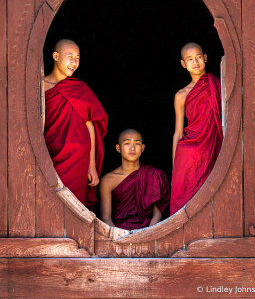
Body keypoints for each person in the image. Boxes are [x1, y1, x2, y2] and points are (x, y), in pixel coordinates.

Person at [44, 39, 108, 209]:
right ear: (55, 56)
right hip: (47, 155)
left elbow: (90, 125)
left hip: (77, 159)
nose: (74, 62)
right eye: (70, 56)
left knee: (73, 207)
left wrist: (91, 165)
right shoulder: (38, 87)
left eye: (77, 58)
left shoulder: (79, 88)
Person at [170, 42, 223, 215]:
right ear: (183, 64)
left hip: (214, 146)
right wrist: (174, 168)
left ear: (205, 58)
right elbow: (178, 132)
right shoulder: (181, 95)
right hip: (189, 153)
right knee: (185, 199)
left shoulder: (219, 85)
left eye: (199, 57)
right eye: (190, 59)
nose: (195, 62)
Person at [99, 129, 170, 230]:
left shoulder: (154, 176)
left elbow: (157, 216)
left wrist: (148, 236)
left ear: (142, 148)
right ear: (118, 148)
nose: (132, 148)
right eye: (127, 143)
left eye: (137, 144)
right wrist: (118, 238)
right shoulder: (108, 180)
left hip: (148, 232)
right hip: (117, 234)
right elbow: (105, 218)